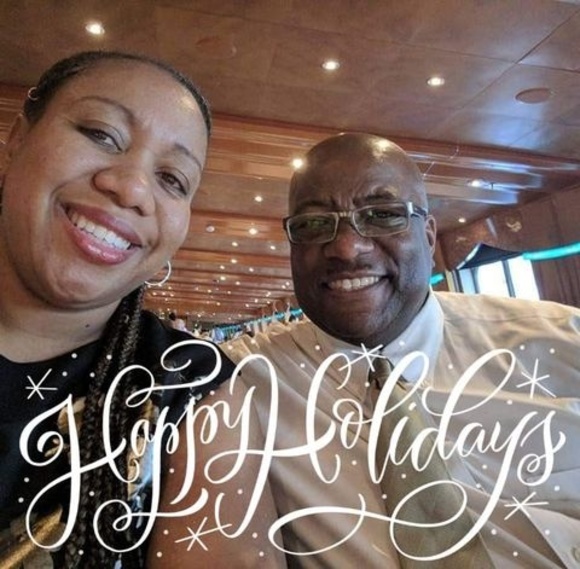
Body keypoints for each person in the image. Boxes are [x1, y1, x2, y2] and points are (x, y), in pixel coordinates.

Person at [225, 133, 580, 568]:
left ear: (429, 236)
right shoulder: (243, 379)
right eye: (313, 224)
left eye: (382, 215)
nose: (347, 247)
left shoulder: (563, 344)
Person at [0, 51, 284, 568]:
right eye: (102, 135)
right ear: (18, 139)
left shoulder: (192, 386)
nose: (131, 189)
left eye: (173, 179)